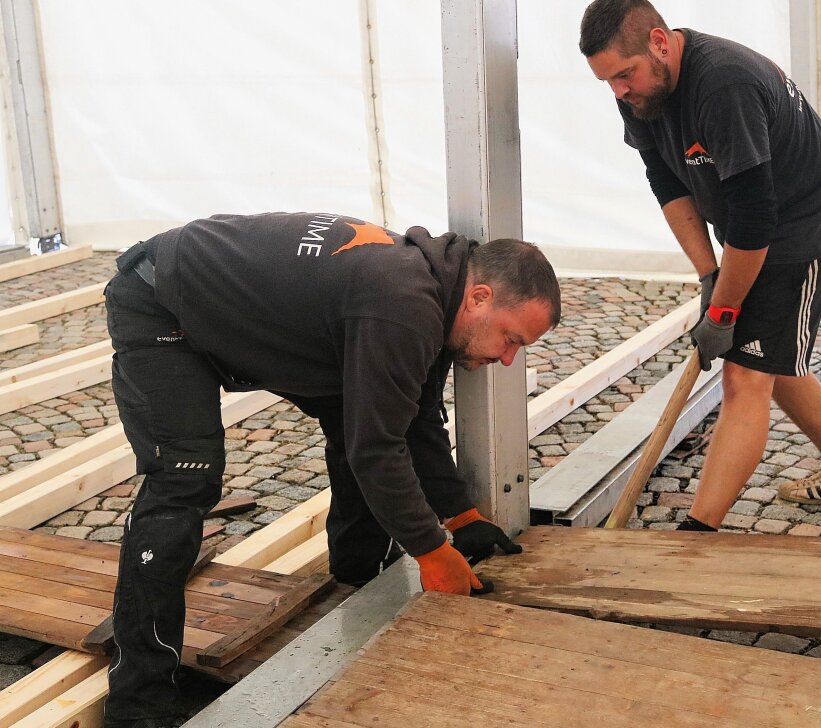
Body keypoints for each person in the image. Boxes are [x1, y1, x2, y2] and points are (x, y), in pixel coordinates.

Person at [102, 212, 560, 728]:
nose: (506, 359)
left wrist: (461, 518)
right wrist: (432, 553)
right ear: (478, 298)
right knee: (185, 478)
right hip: (163, 303)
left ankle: (358, 590)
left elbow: (413, 422)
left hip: (251, 313)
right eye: (512, 339)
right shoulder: (403, 306)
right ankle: (137, 701)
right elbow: (378, 449)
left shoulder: (433, 296)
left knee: (354, 419)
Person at [579, 0, 821, 532]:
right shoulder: (641, 94)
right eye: (607, 81)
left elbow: (756, 221)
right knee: (770, 353)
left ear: (659, 42)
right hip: (750, 226)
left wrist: (723, 312)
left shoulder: (724, 86)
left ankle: (697, 535)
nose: (619, 91)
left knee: (745, 375)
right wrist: (709, 275)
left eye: (624, 75)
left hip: (802, 225)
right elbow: (667, 183)